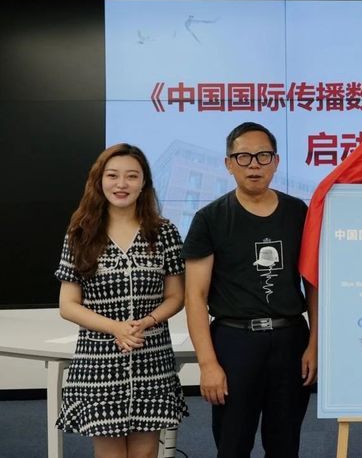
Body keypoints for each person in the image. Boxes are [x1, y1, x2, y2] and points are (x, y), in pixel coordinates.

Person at [183, 121, 317, 458]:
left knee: (285, 445)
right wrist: (207, 364)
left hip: (290, 341)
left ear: (276, 161)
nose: (254, 164)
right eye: (243, 157)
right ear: (229, 164)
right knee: (233, 445)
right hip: (234, 343)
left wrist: (314, 345)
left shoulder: (298, 213)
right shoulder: (210, 218)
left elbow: (312, 285)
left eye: (263, 156)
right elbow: (195, 296)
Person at [55, 143, 188, 458]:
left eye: (132, 176)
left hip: (151, 357)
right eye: (113, 175)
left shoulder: (164, 232)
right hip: (99, 361)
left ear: (144, 183)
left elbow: (176, 296)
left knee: (145, 454)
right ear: (99, 180)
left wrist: (147, 322)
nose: (121, 184)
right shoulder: (80, 234)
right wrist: (116, 327)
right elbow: (68, 304)